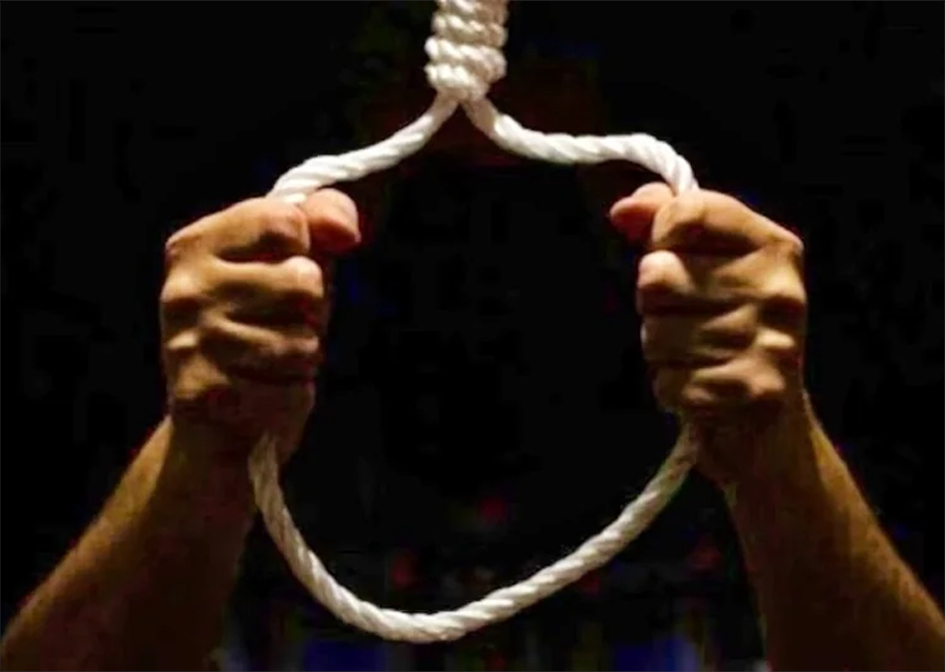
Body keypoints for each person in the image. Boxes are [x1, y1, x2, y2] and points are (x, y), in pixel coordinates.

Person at [1, 53, 943, 672]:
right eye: (438, 194)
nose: (475, 247)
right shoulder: (201, 457)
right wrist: (206, 443)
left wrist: (774, 444)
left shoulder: (755, 479)